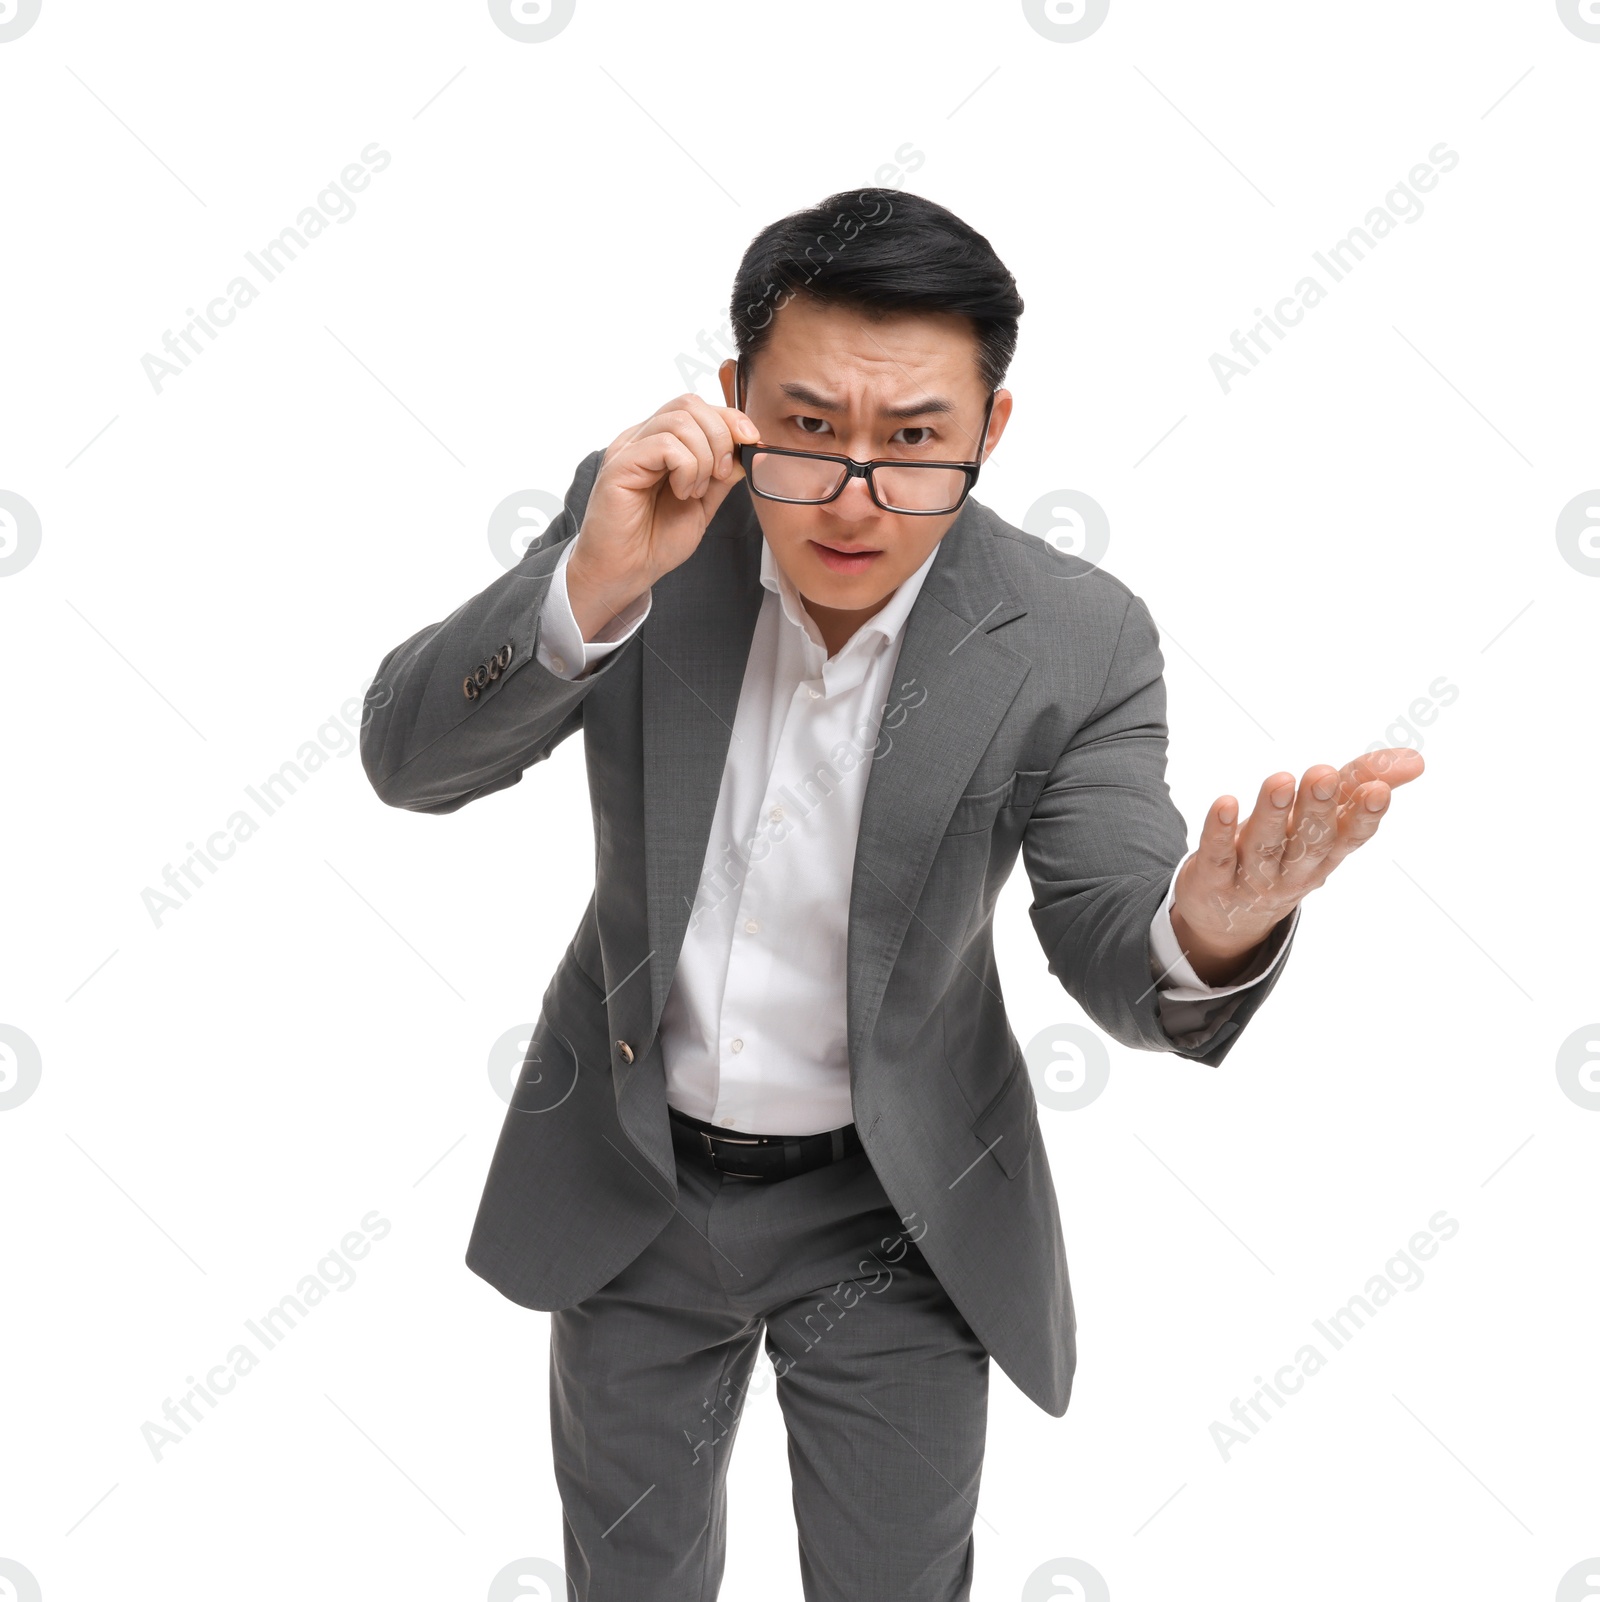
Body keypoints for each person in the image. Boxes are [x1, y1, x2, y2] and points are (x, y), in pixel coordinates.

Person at [359, 187, 1422, 1602]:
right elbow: (409, 761)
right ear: (735, 399)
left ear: (991, 431)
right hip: (633, 1178)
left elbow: (1112, 920)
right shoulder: (649, 523)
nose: (855, 494)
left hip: (894, 1211)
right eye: (807, 429)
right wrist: (590, 583)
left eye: (915, 442)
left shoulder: (1074, 638)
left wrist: (1212, 926)